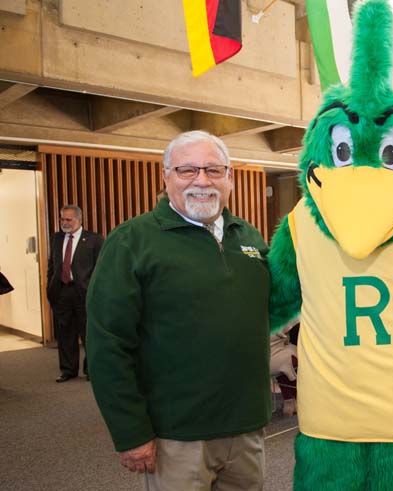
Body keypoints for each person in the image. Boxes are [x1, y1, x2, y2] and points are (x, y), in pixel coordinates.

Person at [86, 130, 271, 490]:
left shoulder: (248, 237)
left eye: (214, 170)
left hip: (246, 429)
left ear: (229, 177)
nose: (201, 180)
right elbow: (107, 345)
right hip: (176, 436)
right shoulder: (132, 241)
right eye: (187, 170)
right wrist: (130, 432)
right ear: (165, 176)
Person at [46, 205, 103, 383]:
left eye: (68, 219)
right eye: (62, 219)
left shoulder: (94, 239)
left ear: (79, 219)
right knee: (65, 334)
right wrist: (51, 286)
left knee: (88, 334)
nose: (64, 223)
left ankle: (91, 370)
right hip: (62, 292)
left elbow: (101, 269)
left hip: (85, 293)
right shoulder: (56, 238)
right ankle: (68, 370)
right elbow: (52, 266)